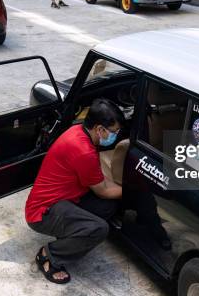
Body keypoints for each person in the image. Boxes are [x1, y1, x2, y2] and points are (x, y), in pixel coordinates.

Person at [26, 99, 124, 284]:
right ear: (100, 129)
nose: (116, 136)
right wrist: (133, 188)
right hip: (43, 211)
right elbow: (103, 190)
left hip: (65, 199)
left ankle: (69, 235)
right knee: (99, 229)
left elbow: (99, 185)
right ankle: (49, 255)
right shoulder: (84, 150)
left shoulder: (78, 130)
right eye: (114, 132)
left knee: (107, 208)